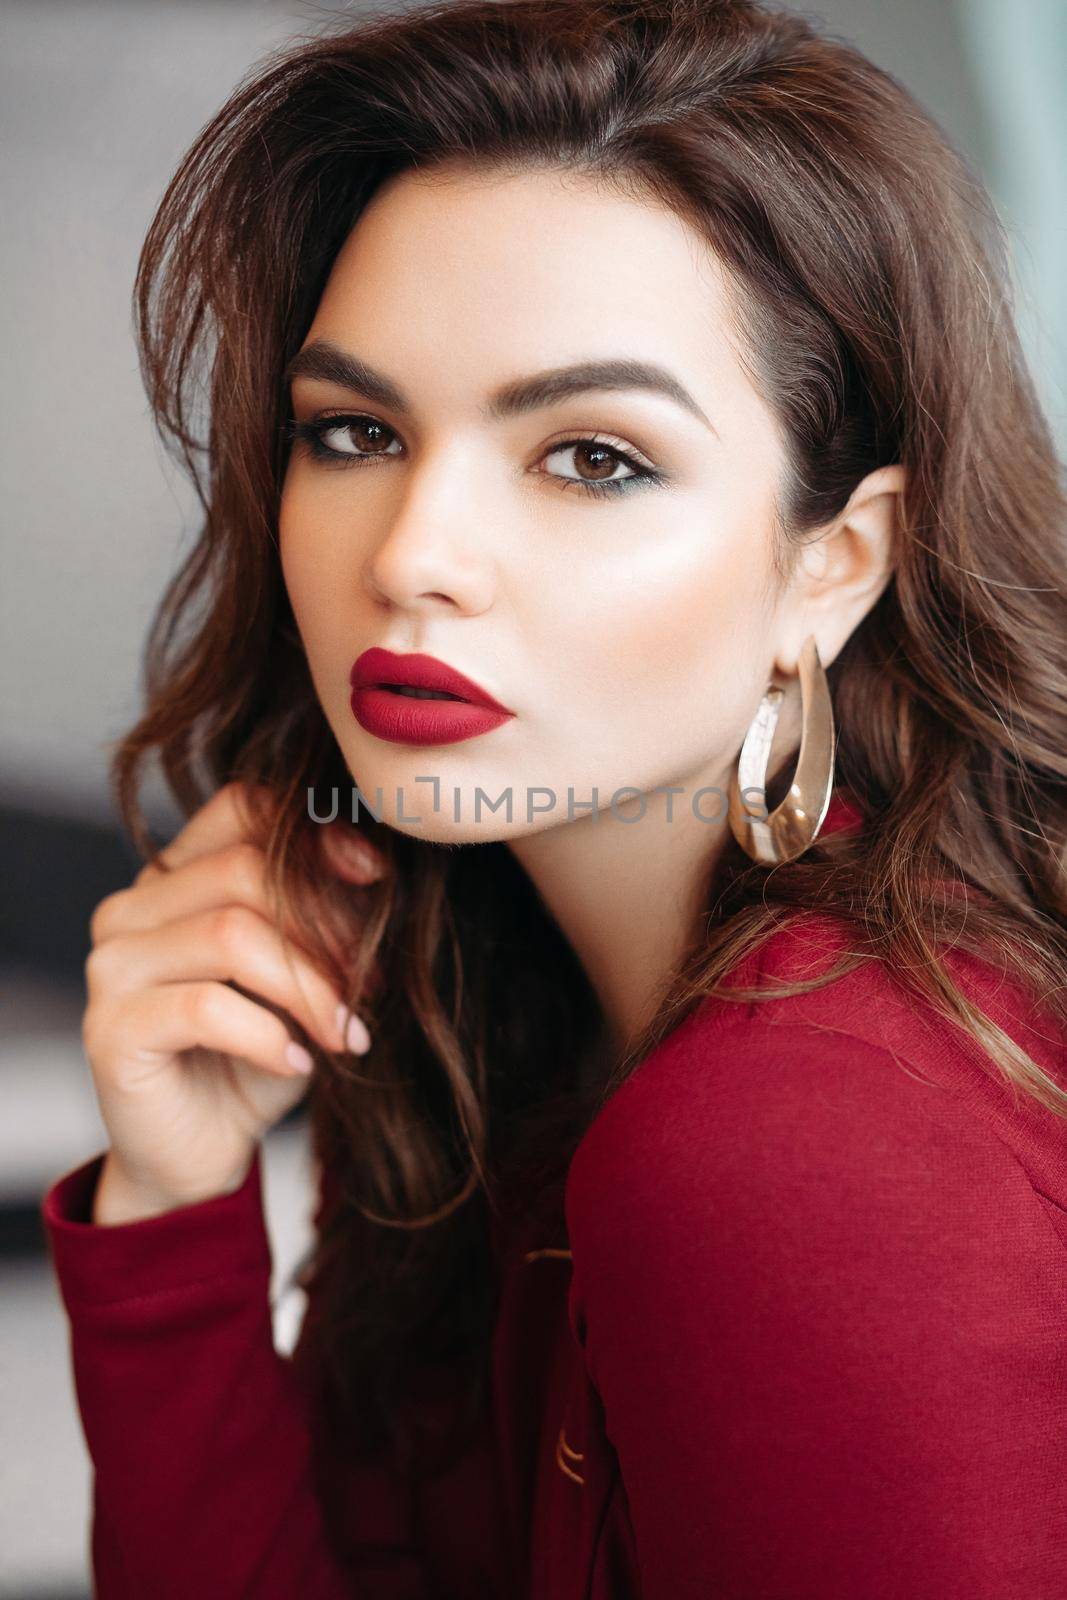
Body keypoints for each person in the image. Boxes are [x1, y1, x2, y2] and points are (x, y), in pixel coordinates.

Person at [40, 1, 1067, 1595]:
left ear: (833, 566)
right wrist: (176, 1198)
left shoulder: (799, 1142)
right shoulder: (489, 996)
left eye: (592, 457)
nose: (412, 554)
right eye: (357, 430)